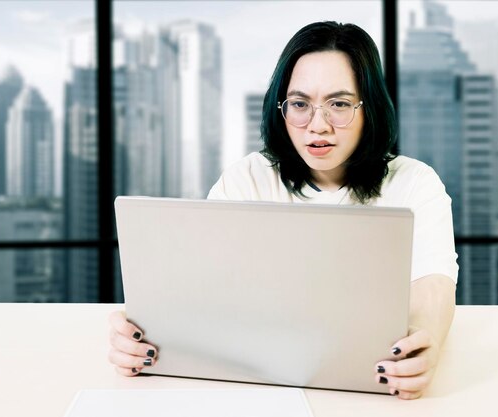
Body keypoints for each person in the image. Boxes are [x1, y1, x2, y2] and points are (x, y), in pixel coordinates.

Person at [109, 21, 457, 400]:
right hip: (255, 386)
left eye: (339, 104)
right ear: (282, 108)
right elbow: (197, 290)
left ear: (369, 107)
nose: (318, 125)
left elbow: (433, 285)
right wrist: (139, 333)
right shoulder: (248, 178)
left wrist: (426, 347)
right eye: (300, 104)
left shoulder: (414, 183)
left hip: (369, 390)